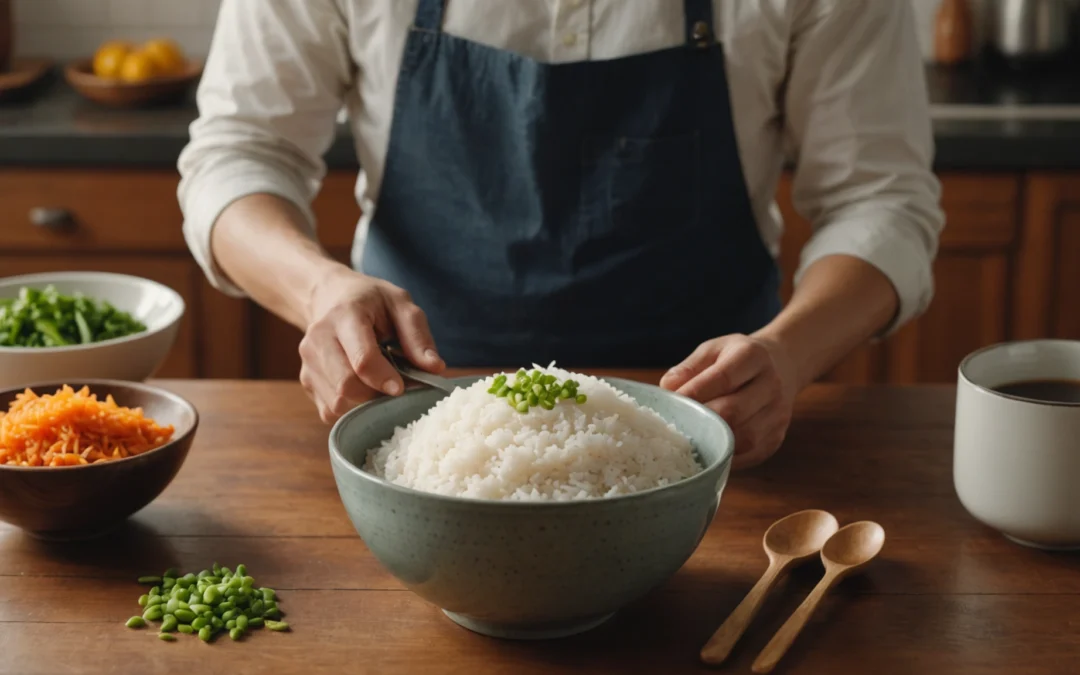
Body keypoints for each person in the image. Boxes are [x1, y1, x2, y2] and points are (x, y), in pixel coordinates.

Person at [179, 0, 944, 468]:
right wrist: (320, 291)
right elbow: (238, 154)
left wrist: (790, 352)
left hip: (719, 439)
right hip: (410, 419)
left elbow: (880, 196)